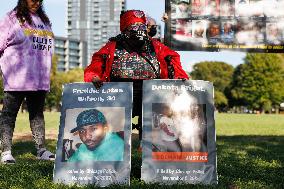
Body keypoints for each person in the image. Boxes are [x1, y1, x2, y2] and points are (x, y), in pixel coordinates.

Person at [84, 10, 189, 139]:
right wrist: (94, 77)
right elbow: (96, 64)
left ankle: (146, 145)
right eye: (134, 27)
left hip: (150, 92)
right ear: (125, 30)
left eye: (142, 27)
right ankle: (118, 148)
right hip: (120, 93)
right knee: (117, 127)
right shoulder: (112, 47)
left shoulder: (156, 46)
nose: (139, 30)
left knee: (150, 123)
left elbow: (172, 59)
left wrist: (179, 77)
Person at [0, 0, 54, 164]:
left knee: (37, 115)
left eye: (40, 0)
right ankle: (6, 152)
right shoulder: (11, 18)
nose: (36, 2)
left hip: (39, 78)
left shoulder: (44, 21)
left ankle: (41, 150)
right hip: (16, 78)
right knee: (9, 115)